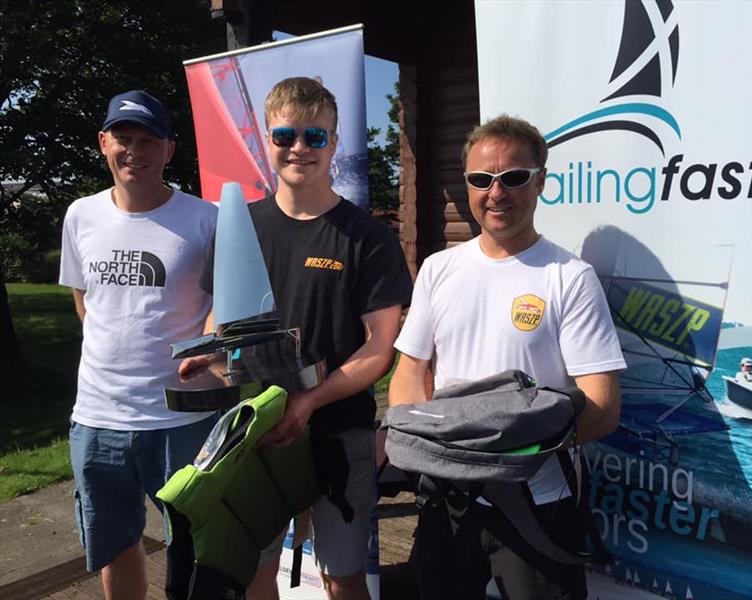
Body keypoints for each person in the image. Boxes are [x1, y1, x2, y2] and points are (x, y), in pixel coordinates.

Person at [179, 76, 412, 600]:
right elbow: (223, 323)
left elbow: (380, 349)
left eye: (314, 136)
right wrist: (206, 357)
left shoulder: (369, 238)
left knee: (342, 574)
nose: (299, 149)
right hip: (255, 432)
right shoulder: (241, 226)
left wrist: (309, 401)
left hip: (337, 431)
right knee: (255, 569)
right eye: (284, 135)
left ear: (335, 142)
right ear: (267, 140)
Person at [388, 114, 627, 600]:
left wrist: (506, 455)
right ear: (468, 185)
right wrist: (430, 455)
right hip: (448, 500)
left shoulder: (569, 277)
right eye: (482, 179)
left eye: (514, 177)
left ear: (540, 181)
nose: (496, 192)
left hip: (535, 503)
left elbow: (601, 408)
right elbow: (409, 374)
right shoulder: (438, 269)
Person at [59, 90, 219, 598]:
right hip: (98, 417)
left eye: (148, 140)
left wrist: (206, 346)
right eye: (123, 139)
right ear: (104, 143)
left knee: (195, 547)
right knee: (114, 546)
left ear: (169, 150)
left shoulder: (205, 217)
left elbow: (226, 303)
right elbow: (84, 300)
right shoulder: (80, 215)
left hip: (180, 417)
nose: (135, 151)